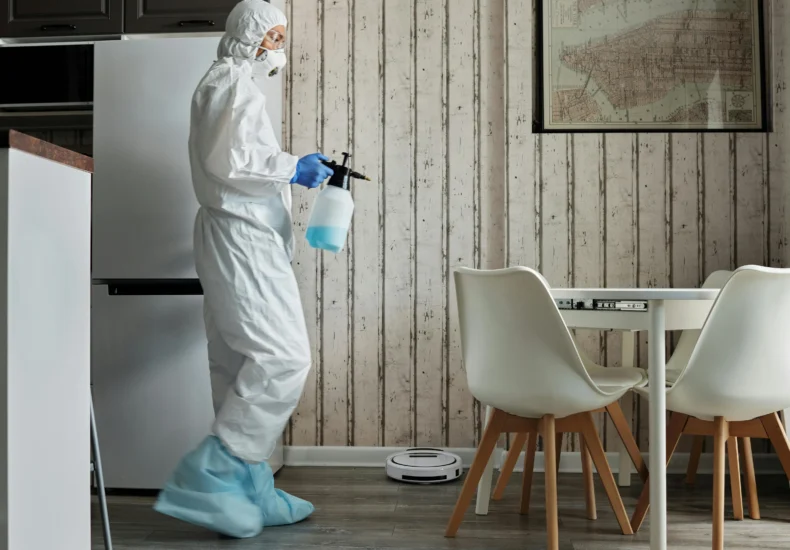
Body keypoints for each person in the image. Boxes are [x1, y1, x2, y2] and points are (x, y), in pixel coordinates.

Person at [153, 0, 332, 539]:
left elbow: (237, 156)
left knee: (238, 363)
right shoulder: (229, 83)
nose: (278, 48)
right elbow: (227, 161)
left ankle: (252, 489)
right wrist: (291, 166)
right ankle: (212, 475)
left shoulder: (236, 84)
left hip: (237, 232)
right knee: (283, 357)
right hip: (238, 235)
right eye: (273, 37)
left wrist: (290, 166)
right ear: (250, 35)